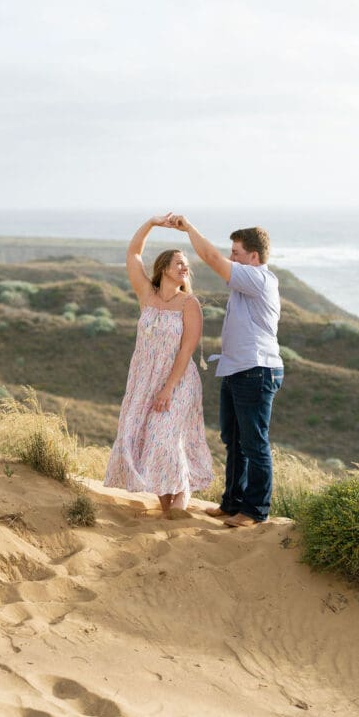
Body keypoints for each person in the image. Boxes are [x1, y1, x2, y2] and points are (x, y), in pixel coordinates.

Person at [166, 216, 283, 528]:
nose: (231, 257)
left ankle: (255, 511)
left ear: (254, 256)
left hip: (257, 370)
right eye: (231, 252)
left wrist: (189, 229)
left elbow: (210, 257)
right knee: (234, 440)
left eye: (236, 252)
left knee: (254, 443)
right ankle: (232, 504)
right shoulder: (247, 281)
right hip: (237, 370)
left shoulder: (258, 278)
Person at [103, 215, 214, 512]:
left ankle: (183, 490)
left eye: (186, 265)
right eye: (179, 263)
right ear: (164, 268)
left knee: (164, 437)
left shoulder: (189, 304)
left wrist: (168, 388)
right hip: (144, 380)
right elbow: (133, 254)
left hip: (179, 380)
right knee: (146, 438)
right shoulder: (147, 295)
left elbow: (186, 350)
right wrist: (151, 223)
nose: (184, 268)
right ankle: (168, 507)